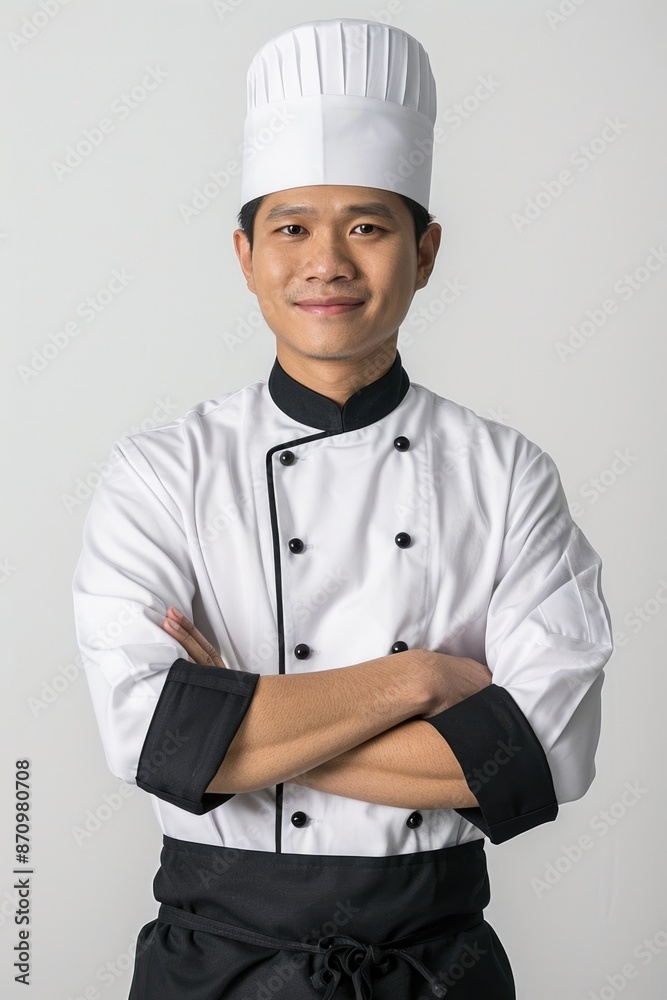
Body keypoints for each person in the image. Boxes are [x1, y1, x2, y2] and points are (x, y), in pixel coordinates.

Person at [71, 18, 614, 999]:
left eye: (366, 225)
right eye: (291, 227)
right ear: (244, 254)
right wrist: (417, 681)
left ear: (427, 250)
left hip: (431, 968)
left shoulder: (506, 474)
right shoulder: (157, 473)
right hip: (215, 969)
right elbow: (146, 738)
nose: (326, 261)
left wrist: (235, 724)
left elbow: (543, 760)